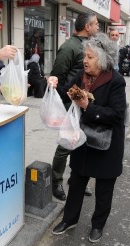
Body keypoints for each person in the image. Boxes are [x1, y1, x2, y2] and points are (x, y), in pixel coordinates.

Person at [50, 32, 126, 243]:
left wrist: (88, 107)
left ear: (102, 59)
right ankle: (69, 219)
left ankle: (97, 225)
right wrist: (53, 84)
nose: (85, 60)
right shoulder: (82, 77)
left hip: (106, 143)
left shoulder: (116, 81)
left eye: (90, 57)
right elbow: (66, 90)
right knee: (76, 182)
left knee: (103, 188)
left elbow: (117, 115)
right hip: (83, 141)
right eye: (85, 56)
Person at [49, 12, 99, 201]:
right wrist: (68, 101)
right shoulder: (69, 47)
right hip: (71, 105)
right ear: (87, 26)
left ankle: (76, 179)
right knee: (65, 144)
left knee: (81, 143)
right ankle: (56, 182)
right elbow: (56, 77)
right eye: (95, 24)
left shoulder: (88, 46)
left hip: (86, 104)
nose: (97, 28)